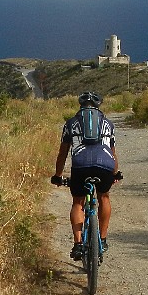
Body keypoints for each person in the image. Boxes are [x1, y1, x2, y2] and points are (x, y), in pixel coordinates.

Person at [51, 91, 121, 261]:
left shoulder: (71, 124)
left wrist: (58, 175)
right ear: (98, 106)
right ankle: (102, 240)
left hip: (80, 166)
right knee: (104, 196)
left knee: (78, 201)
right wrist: (115, 173)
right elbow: (113, 153)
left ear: (80, 106)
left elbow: (62, 154)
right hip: (105, 165)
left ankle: (78, 244)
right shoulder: (108, 124)